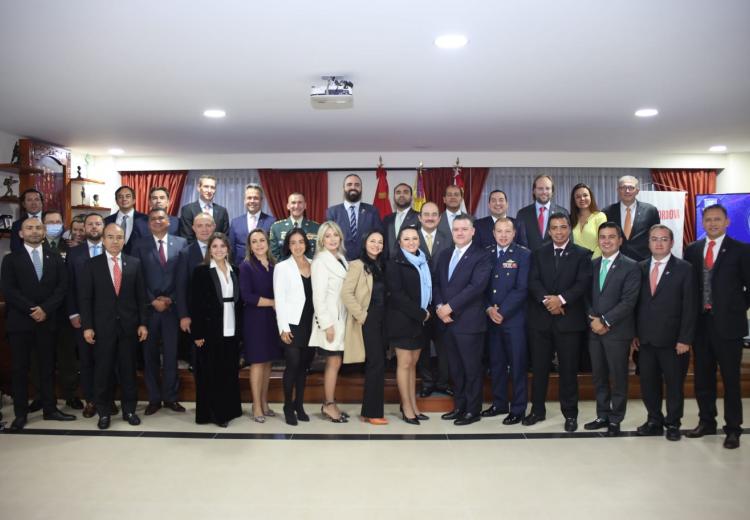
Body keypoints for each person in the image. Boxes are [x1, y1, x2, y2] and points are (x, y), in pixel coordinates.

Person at [684, 204, 750, 449]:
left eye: (717, 219)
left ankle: (733, 428)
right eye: (708, 220)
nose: (712, 224)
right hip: (701, 325)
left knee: (731, 379)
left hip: (729, 326)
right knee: (703, 377)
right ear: (702, 223)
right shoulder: (692, 250)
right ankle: (706, 421)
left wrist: (736, 307)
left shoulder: (741, 250)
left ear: (727, 222)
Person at [1, 217, 76, 430]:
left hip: (47, 320)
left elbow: (62, 288)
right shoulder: (11, 259)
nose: (34, 231)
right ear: (21, 233)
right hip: (20, 322)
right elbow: (9, 290)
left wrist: (45, 309)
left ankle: (50, 409)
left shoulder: (55, 258)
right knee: (20, 369)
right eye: (29, 228)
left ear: (43, 232)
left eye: (38, 228)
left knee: (47, 367)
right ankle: (20, 414)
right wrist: (32, 309)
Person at [524, 212, 592, 431]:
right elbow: (532, 281)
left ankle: (570, 414)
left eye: (563, 227)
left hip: (569, 321)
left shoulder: (582, 254)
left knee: (569, 370)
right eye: (554, 228)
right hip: (541, 321)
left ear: (568, 229)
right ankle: (537, 411)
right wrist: (548, 302)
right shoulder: (538, 253)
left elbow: (582, 283)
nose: (559, 231)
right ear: (549, 230)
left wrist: (561, 300)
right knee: (540, 369)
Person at [78, 223, 148, 430]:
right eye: (110, 237)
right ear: (103, 239)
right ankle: (104, 412)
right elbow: (86, 299)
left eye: (118, 237)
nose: (115, 241)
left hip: (129, 328)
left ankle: (129, 410)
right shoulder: (92, 265)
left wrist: (143, 323)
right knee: (103, 372)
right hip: (102, 328)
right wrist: (87, 326)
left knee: (128, 371)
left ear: (124, 240)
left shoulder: (134, 263)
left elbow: (141, 297)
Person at [632, 224, 695, 441]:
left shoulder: (684, 269)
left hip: (674, 342)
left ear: (672, 242)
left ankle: (673, 423)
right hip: (646, 340)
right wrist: (635, 334)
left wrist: (685, 338)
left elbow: (690, 307)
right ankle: (654, 421)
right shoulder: (639, 268)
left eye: (664, 239)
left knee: (674, 385)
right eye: (654, 239)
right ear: (648, 242)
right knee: (648, 384)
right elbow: (635, 304)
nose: (659, 243)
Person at [434, 214, 492, 426]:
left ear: (473, 231)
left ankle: (472, 410)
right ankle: (459, 406)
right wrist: (440, 307)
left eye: (464, 229)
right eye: (456, 229)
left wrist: (450, 307)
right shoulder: (445, 254)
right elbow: (438, 283)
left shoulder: (482, 255)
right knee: (455, 369)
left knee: (471, 369)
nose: (459, 233)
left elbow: (476, 287)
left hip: (469, 323)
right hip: (446, 321)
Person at [583, 222, 640, 437]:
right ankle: (602, 415)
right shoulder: (593, 264)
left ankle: (616, 419)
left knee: (618, 377)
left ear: (620, 240)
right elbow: (586, 296)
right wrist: (592, 320)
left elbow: (629, 301)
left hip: (617, 332)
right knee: (599, 376)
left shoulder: (631, 266)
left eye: (611, 237)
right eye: (603, 237)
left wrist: (605, 321)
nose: (606, 241)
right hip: (594, 330)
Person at [131, 208, 188, 416]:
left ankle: (171, 398)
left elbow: (183, 278)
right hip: (149, 310)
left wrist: (170, 299)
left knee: (172, 355)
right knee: (150, 356)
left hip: (172, 310)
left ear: (169, 222)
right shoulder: (139, 245)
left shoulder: (181, 244)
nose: (157, 221)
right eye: (153, 219)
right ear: (148, 224)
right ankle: (154, 398)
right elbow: (137, 277)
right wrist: (152, 300)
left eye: (160, 218)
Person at [190, 233, 243, 427]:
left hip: (231, 328)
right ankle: (215, 414)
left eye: (222, 246)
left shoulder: (235, 270)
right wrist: (198, 333)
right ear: (209, 250)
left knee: (229, 371)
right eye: (215, 246)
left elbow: (239, 303)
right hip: (210, 330)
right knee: (211, 373)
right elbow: (195, 304)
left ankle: (230, 409)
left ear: (228, 249)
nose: (219, 250)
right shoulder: (202, 271)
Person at [483, 218, 531, 424]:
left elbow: (522, 288)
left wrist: (501, 311)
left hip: (513, 319)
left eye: (507, 231)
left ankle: (518, 408)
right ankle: (500, 403)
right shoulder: (485, 253)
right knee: (497, 363)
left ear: (514, 234)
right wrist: (488, 308)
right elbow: (480, 285)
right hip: (491, 319)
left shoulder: (523, 254)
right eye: (499, 231)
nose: (503, 235)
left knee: (517, 364)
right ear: (493, 233)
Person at [386, 226, 432, 425]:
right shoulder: (394, 263)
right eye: (407, 239)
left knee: (413, 365)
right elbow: (397, 295)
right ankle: (406, 407)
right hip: (403, 320)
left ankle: (413, 405)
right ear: (399, 242)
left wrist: (425, 312)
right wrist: (421, 313)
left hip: (420, 321)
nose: (411, 242)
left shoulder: (423, 260)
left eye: (415, 238)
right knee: (404, 364)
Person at [342, 230, 388, 425]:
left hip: (383, 320)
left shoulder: (382, 265)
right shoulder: (356, 265)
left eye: (380, 242)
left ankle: (368, 410)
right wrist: (362, 316)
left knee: (378, 363)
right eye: (372, 241)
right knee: (376, 364)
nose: (376, 245)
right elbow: (346, 294)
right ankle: (372, 413)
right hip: (368, 319)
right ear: (365, 242)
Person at [66, 213, 108, 418]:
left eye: (97, 223)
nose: (93, 227)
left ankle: (106, 400)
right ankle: (91, 400)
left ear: (103, 226)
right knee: (87, 360)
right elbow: (69, 286)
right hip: (83, 316)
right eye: (89, 224)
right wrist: (73, 313)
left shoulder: (113, 248)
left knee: (108, 359)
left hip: (109, 317)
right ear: (83, 228)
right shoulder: (74, 253)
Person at [273, 228, 315, 425]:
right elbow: (279, 299)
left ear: (306, 243)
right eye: (293, 242)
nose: (297, 246)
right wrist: (283, 328)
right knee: (292, 365)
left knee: (304, 367)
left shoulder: (315, 265)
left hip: (311, 324)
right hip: (291, 324)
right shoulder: (282, 267)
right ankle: (288, 406)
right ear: (288, 246)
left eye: (301, 241)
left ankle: (299, 404)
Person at [239, 228, 282, 422]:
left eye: (262, 240)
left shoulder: (275, 266)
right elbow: (247, 296)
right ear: (250, 245)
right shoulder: (247, 266)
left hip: (272, 321)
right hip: (254, 319)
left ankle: (265, 403)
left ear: (268, 242)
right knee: (257, 362)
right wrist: (273, 302)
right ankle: (256, 406)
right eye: (254, 241)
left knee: (268, 362)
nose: (258, 244)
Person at [309, 221, 349, 422]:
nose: (332, 239)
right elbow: (318, 296)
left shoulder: (341, 258)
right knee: (333, 362)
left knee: (336, 362)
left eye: (335, 235)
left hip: (343, 319)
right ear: (321, 239)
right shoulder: (320, 261)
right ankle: (329, 405)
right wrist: (327, 325)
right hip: (331, 322)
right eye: (328, 236)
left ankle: (330, 402)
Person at [415, 201, 452, 397]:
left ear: (439, 218)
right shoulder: (411, 238)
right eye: (426, 214)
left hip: (443, 301)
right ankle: (427, 382)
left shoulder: (448, 239)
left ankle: (443, 382)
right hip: (419, 303)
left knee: (443, 345)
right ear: (420, 217)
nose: (430, 218)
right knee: (422, 345)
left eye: (434, 214)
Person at [176, 213, 216, 347]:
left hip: (219, 315)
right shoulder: (185, 253)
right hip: (195, 315)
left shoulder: (224, 251)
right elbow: (181, 287)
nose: (204, 229)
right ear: (193, 228)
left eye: (208, 225)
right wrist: (184, 316)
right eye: (200, 226)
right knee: (199, 359)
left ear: (214, 227)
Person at [325, 174, 383, 261]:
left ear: (361, 189)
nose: (353, 187)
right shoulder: (332, 212)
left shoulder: (372, 211)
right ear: (343, 188)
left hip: (367, 263)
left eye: (357, 185)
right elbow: (327, 239)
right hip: (340, 263)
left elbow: (379, 237)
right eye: (349, 184)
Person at [603, 175, 660, 262]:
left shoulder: (650, 210)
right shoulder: (607, 212)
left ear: (637, 191)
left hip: (643, 262)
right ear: (618, 190)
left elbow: (656, 236)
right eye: (623, 187)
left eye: (631, 188)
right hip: (616, 262)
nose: (627, 191)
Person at [515, 174, 568, 251]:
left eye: (547, 188)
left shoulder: (563, 212)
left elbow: (567, 241)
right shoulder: (522, 214)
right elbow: (518, 242)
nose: (544, 192)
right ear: (534, 191)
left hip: (555, 261)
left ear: (552, 191)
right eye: (540, 188)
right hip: (530, 261)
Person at [229, 183, 275, 262]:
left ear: (261, 200)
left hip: (264, 269)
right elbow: (231, 249)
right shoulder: (235, 222)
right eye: (249, 198)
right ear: (244, 200)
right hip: (240, 269)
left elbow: (273, 249)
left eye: (256, 198)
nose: (252, 201)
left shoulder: (272, 222)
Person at [269, 192, 319, 260]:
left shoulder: (316, 227)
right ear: (288, 206)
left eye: (300, 202)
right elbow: (273, 254)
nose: (296, 206)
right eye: (293, 203)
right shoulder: (276, 228)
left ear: (305, 205)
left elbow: (319, 252)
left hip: (310, 268)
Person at [179, 174, 230, 241]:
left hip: (217, 250)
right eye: (206, 186)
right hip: (194, 250)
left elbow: (225, 237)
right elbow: (187, 238)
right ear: (198, 188)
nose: (209, 190)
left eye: (212, 187)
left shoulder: (222, 211)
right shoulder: (187, 210)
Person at [103, 185, 149, 254]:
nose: (124, 199)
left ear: (134, 200)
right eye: (120, 197)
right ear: (116, 201)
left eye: (128, 196)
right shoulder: (107, 221)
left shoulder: (145, 220)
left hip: (138, 262)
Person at [382, 183, 419, 258]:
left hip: (411, 265)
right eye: (398, 192)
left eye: (405, 192)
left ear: (411, 197)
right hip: (389, 266)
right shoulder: (387, 219)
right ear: (394, 197)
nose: (401, 195)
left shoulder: (419, 217)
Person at [570, 183, 607, 258]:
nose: (582, 199)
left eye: (585, 195)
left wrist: (591, 261)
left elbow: (603, 242)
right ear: (574, 200)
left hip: (594, 263)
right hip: (573, 264)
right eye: (578, 197)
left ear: (591, 197)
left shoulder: (600, 216)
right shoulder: (570, 218)